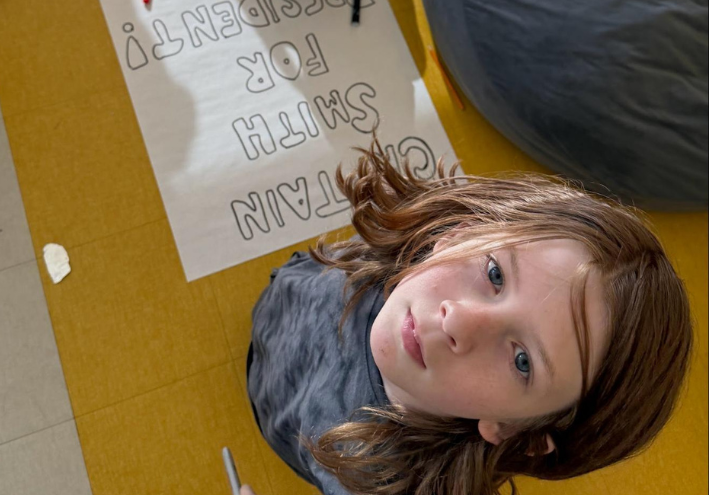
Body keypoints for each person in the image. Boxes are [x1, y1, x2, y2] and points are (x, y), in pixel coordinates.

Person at [241, 139, 693, 495]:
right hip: (287, 307)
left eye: (522, 361)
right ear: (461, 233)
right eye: (494, 273)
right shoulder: (407, 259)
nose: (458, 320)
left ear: (519, 432)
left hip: (287, 426)